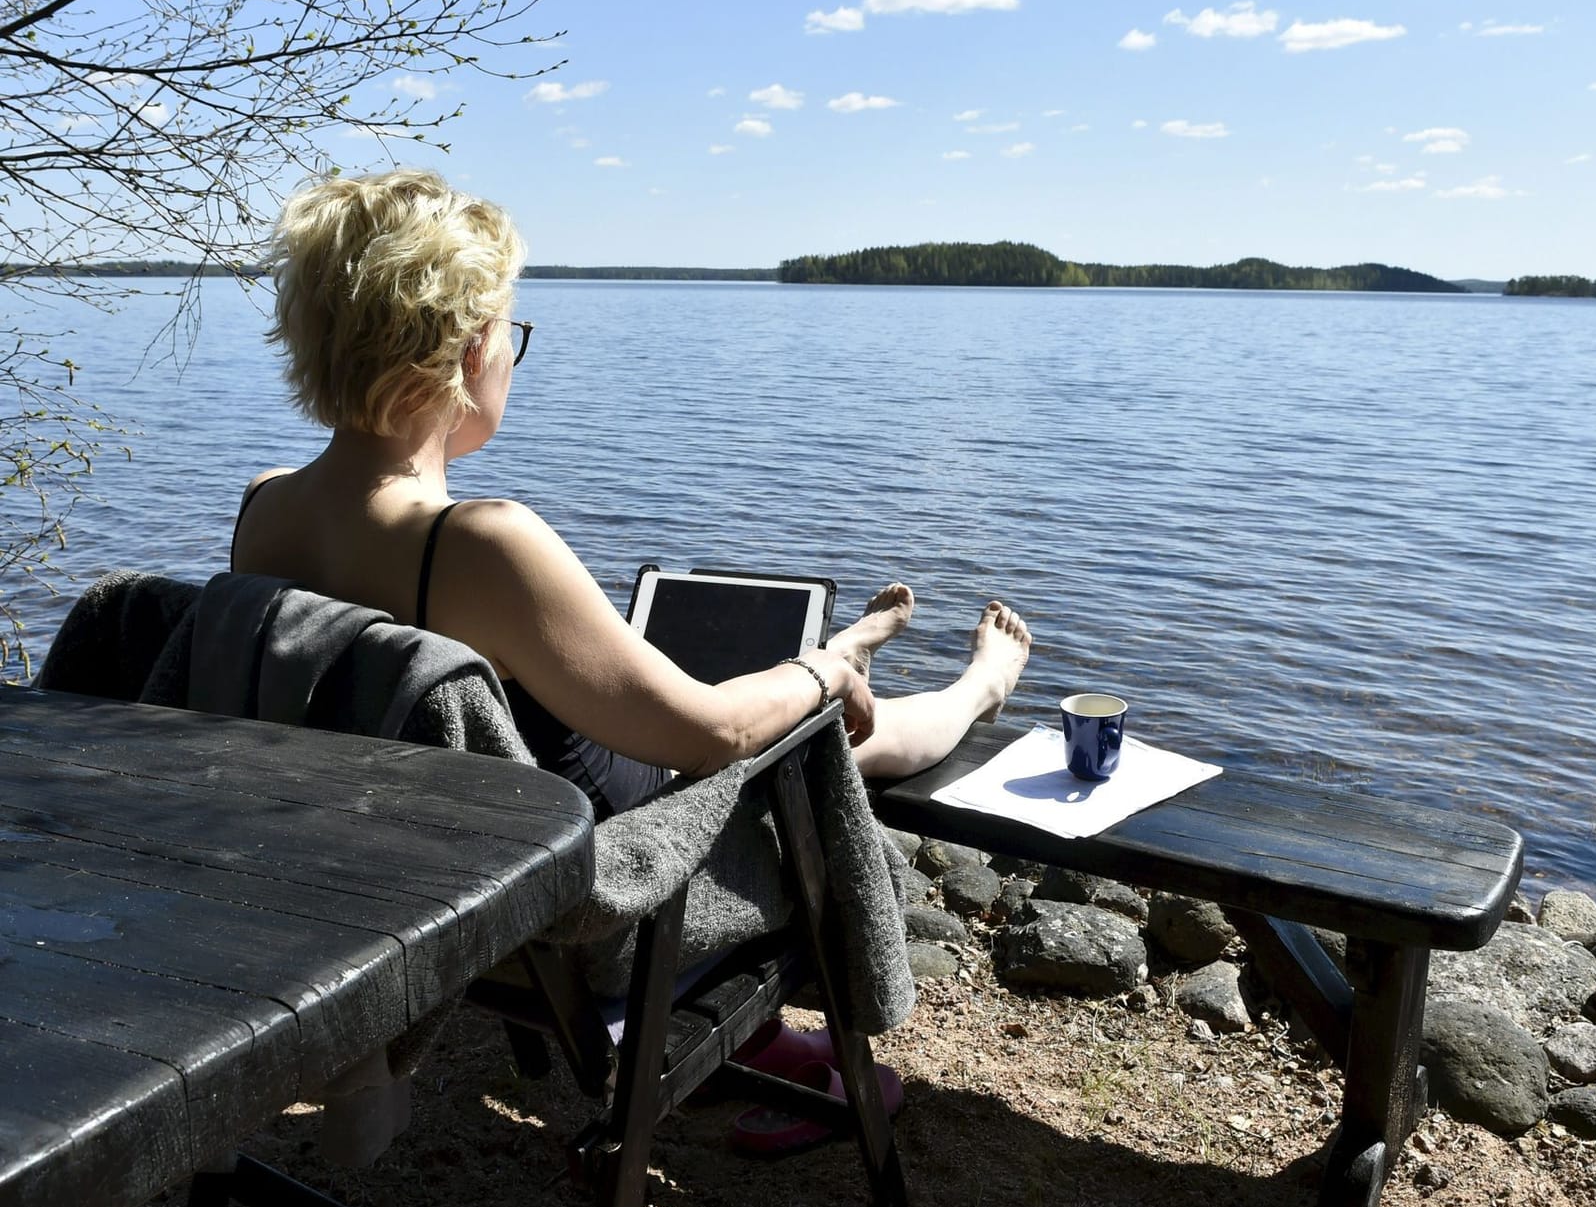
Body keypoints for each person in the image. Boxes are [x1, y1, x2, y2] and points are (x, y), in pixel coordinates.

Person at [233, 167, 1031, 820]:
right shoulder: (481, 545)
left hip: (404, 857)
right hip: (579, 878)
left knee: (721, 685)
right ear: (473, 350)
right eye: (512, 334)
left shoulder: (264, 509)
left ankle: (840, 648)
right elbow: (712, 734)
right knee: (849, 727)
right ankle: (976, 685)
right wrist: (825, 679)